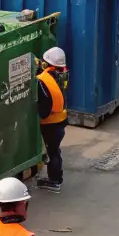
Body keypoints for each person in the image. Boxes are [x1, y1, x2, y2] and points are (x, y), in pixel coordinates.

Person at [35, 46, 68, 193]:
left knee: (52, 152)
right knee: (56, 151)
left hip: (50, 124)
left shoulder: (43, 80)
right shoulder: (62, 75)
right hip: (61, 121)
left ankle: (54, 181)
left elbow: (44, 109)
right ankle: (57, 178)